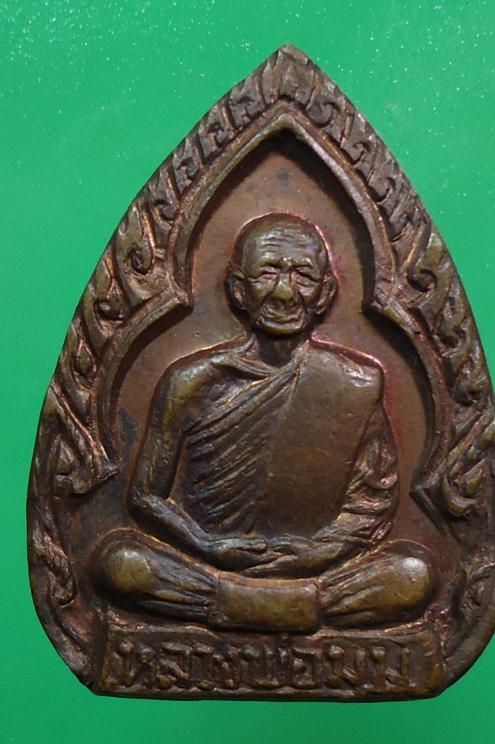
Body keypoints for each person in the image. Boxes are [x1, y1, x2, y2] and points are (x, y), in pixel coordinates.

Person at [94, 213, 435, 631]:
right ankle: (287, 607)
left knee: (413, 574)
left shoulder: (354, 384)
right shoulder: (190, 381)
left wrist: (320, 553)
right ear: (239, 289)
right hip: (205, 566)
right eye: (268, 273)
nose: (284, 293)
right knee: (121, 565)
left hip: (316, 572)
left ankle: (247, 604)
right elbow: (146, 496)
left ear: (325, 293)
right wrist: (207, 544)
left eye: (303, 276)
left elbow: (372, 504)